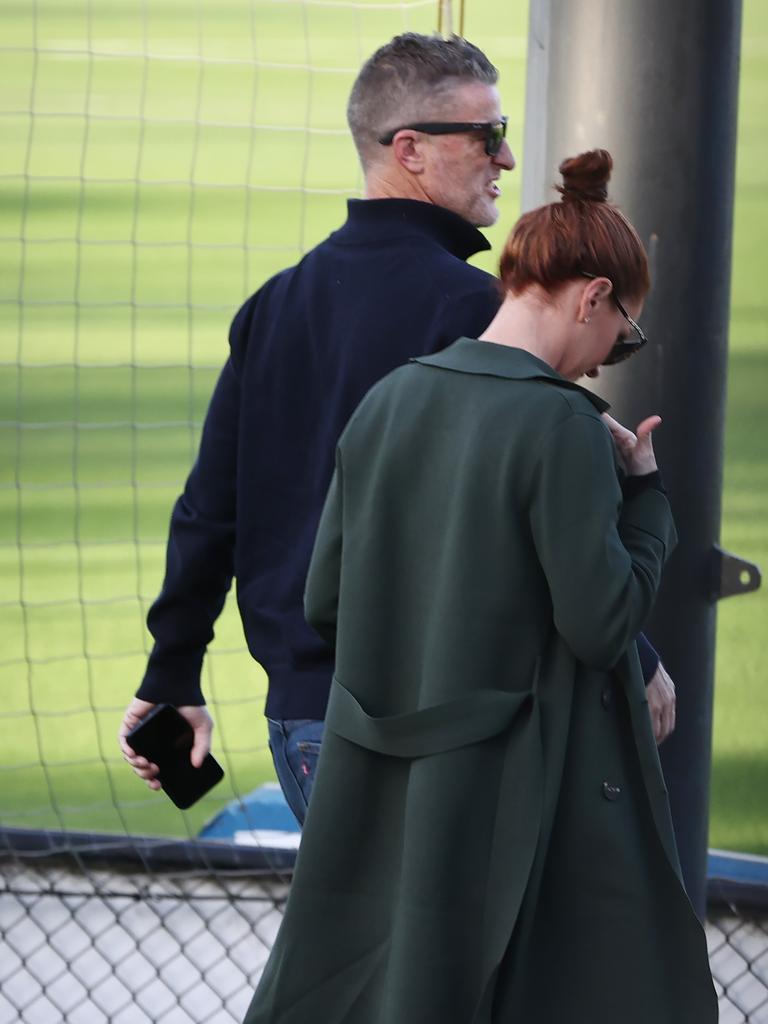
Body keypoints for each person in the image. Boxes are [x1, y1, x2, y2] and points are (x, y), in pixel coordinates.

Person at [118, 32, 673, 825]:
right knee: (466, 952)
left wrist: (172, 674)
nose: (506, 160)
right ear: (408, 148)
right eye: (486, 137)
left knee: (368, 951)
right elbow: (543, 530)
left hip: (304, 721)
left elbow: (210, 508)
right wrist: (639, 659)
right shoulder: (482, 316)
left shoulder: (275, 304)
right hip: (438, 726)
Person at [243, 150, 717, 1023]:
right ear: (592, 296)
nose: (613, 356)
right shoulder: (561, 424)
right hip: (517, 796)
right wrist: (648, 501)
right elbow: (602, 623)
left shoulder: (391, 398)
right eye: (626, 331)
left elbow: (327, 602)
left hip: (384, 770)